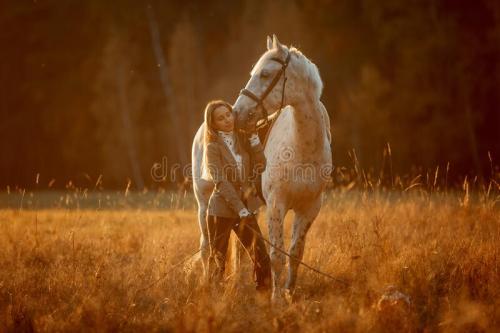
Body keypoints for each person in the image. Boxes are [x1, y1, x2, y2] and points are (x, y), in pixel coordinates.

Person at [203, 100, 271, 291]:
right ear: (213, 124)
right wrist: (239, 208)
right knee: (218, 263)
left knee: (262, 258)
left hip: (245, 210)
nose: (227, 120)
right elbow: (221, 182)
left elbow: (261, 165)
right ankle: (213, 306)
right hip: (221, 212)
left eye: (228, 114)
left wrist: (255, 142)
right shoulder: (212, 148)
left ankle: (264, 301)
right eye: (220, 118)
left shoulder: (243, 140)